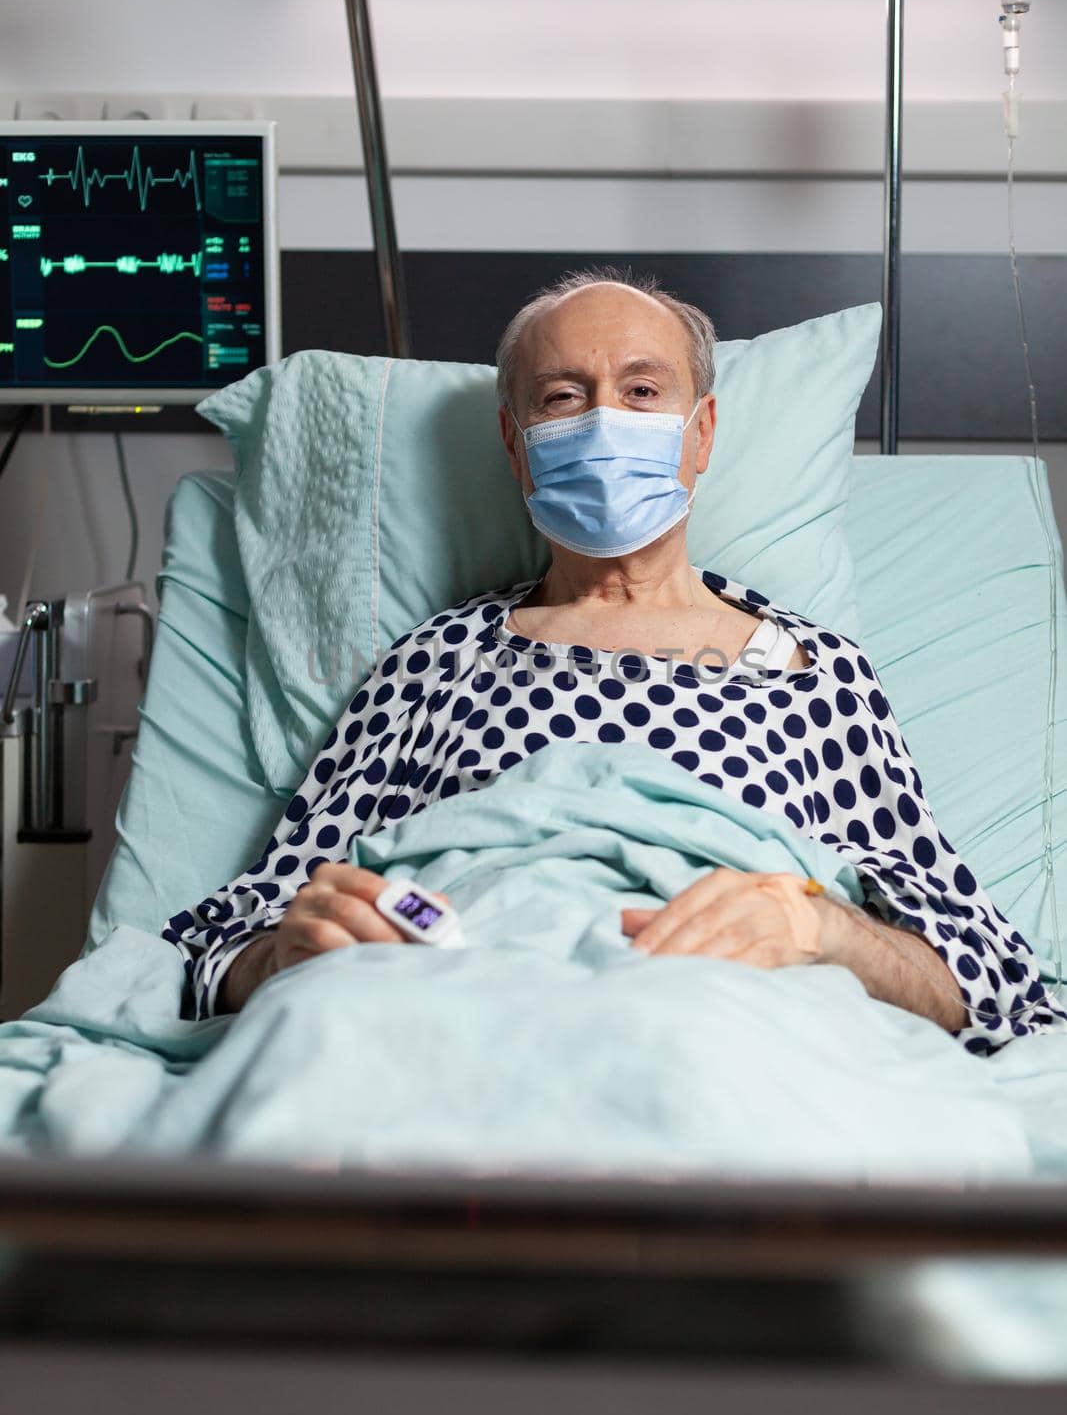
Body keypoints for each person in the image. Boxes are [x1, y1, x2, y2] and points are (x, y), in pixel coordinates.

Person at [163, 265, 1067, 1056]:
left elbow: (983, 985)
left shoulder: (809, 672)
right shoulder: (437, 661)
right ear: (516, 447)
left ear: (700, 433)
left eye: (641, 392)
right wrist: (282, 955)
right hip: (448, 1015)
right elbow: (233, 935)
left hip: (723, 1022)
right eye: (561, 397)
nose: (602, 419)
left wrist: (819, 925)